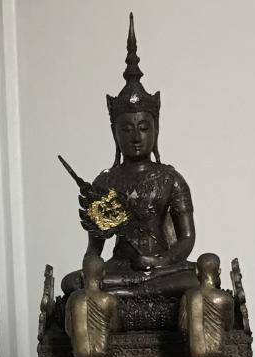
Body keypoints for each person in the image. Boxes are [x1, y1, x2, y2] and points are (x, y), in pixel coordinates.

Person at [62, 14, 198, 299]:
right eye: (126, 128)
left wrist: (160, 261)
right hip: (119, 268)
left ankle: (126, 291)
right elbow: (94, 249)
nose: (136, 136)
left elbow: (186, 239)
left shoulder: (170, 179)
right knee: (71, 283)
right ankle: (129, 289)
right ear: (115, 134)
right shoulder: (104, 182)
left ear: (156, 130)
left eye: (143, 127)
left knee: (197, 277)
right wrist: (92, 267)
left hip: (160, 268)